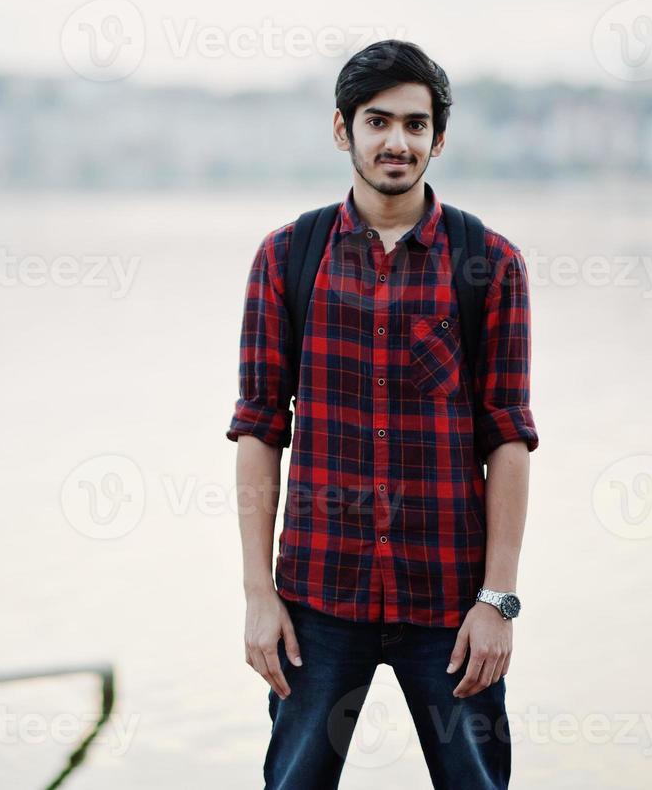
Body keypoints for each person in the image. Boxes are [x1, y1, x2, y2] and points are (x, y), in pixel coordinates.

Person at [227, 39, 539, 789]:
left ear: (438, 137)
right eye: (377, 121)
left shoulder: (488, 262)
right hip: (316, 602)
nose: (396, 142)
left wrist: (496, 601)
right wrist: (257, 595)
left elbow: (509, 439)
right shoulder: (287, 257)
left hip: (450, 603)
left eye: (414, 124)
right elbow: (260, 430)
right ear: (343, 130)